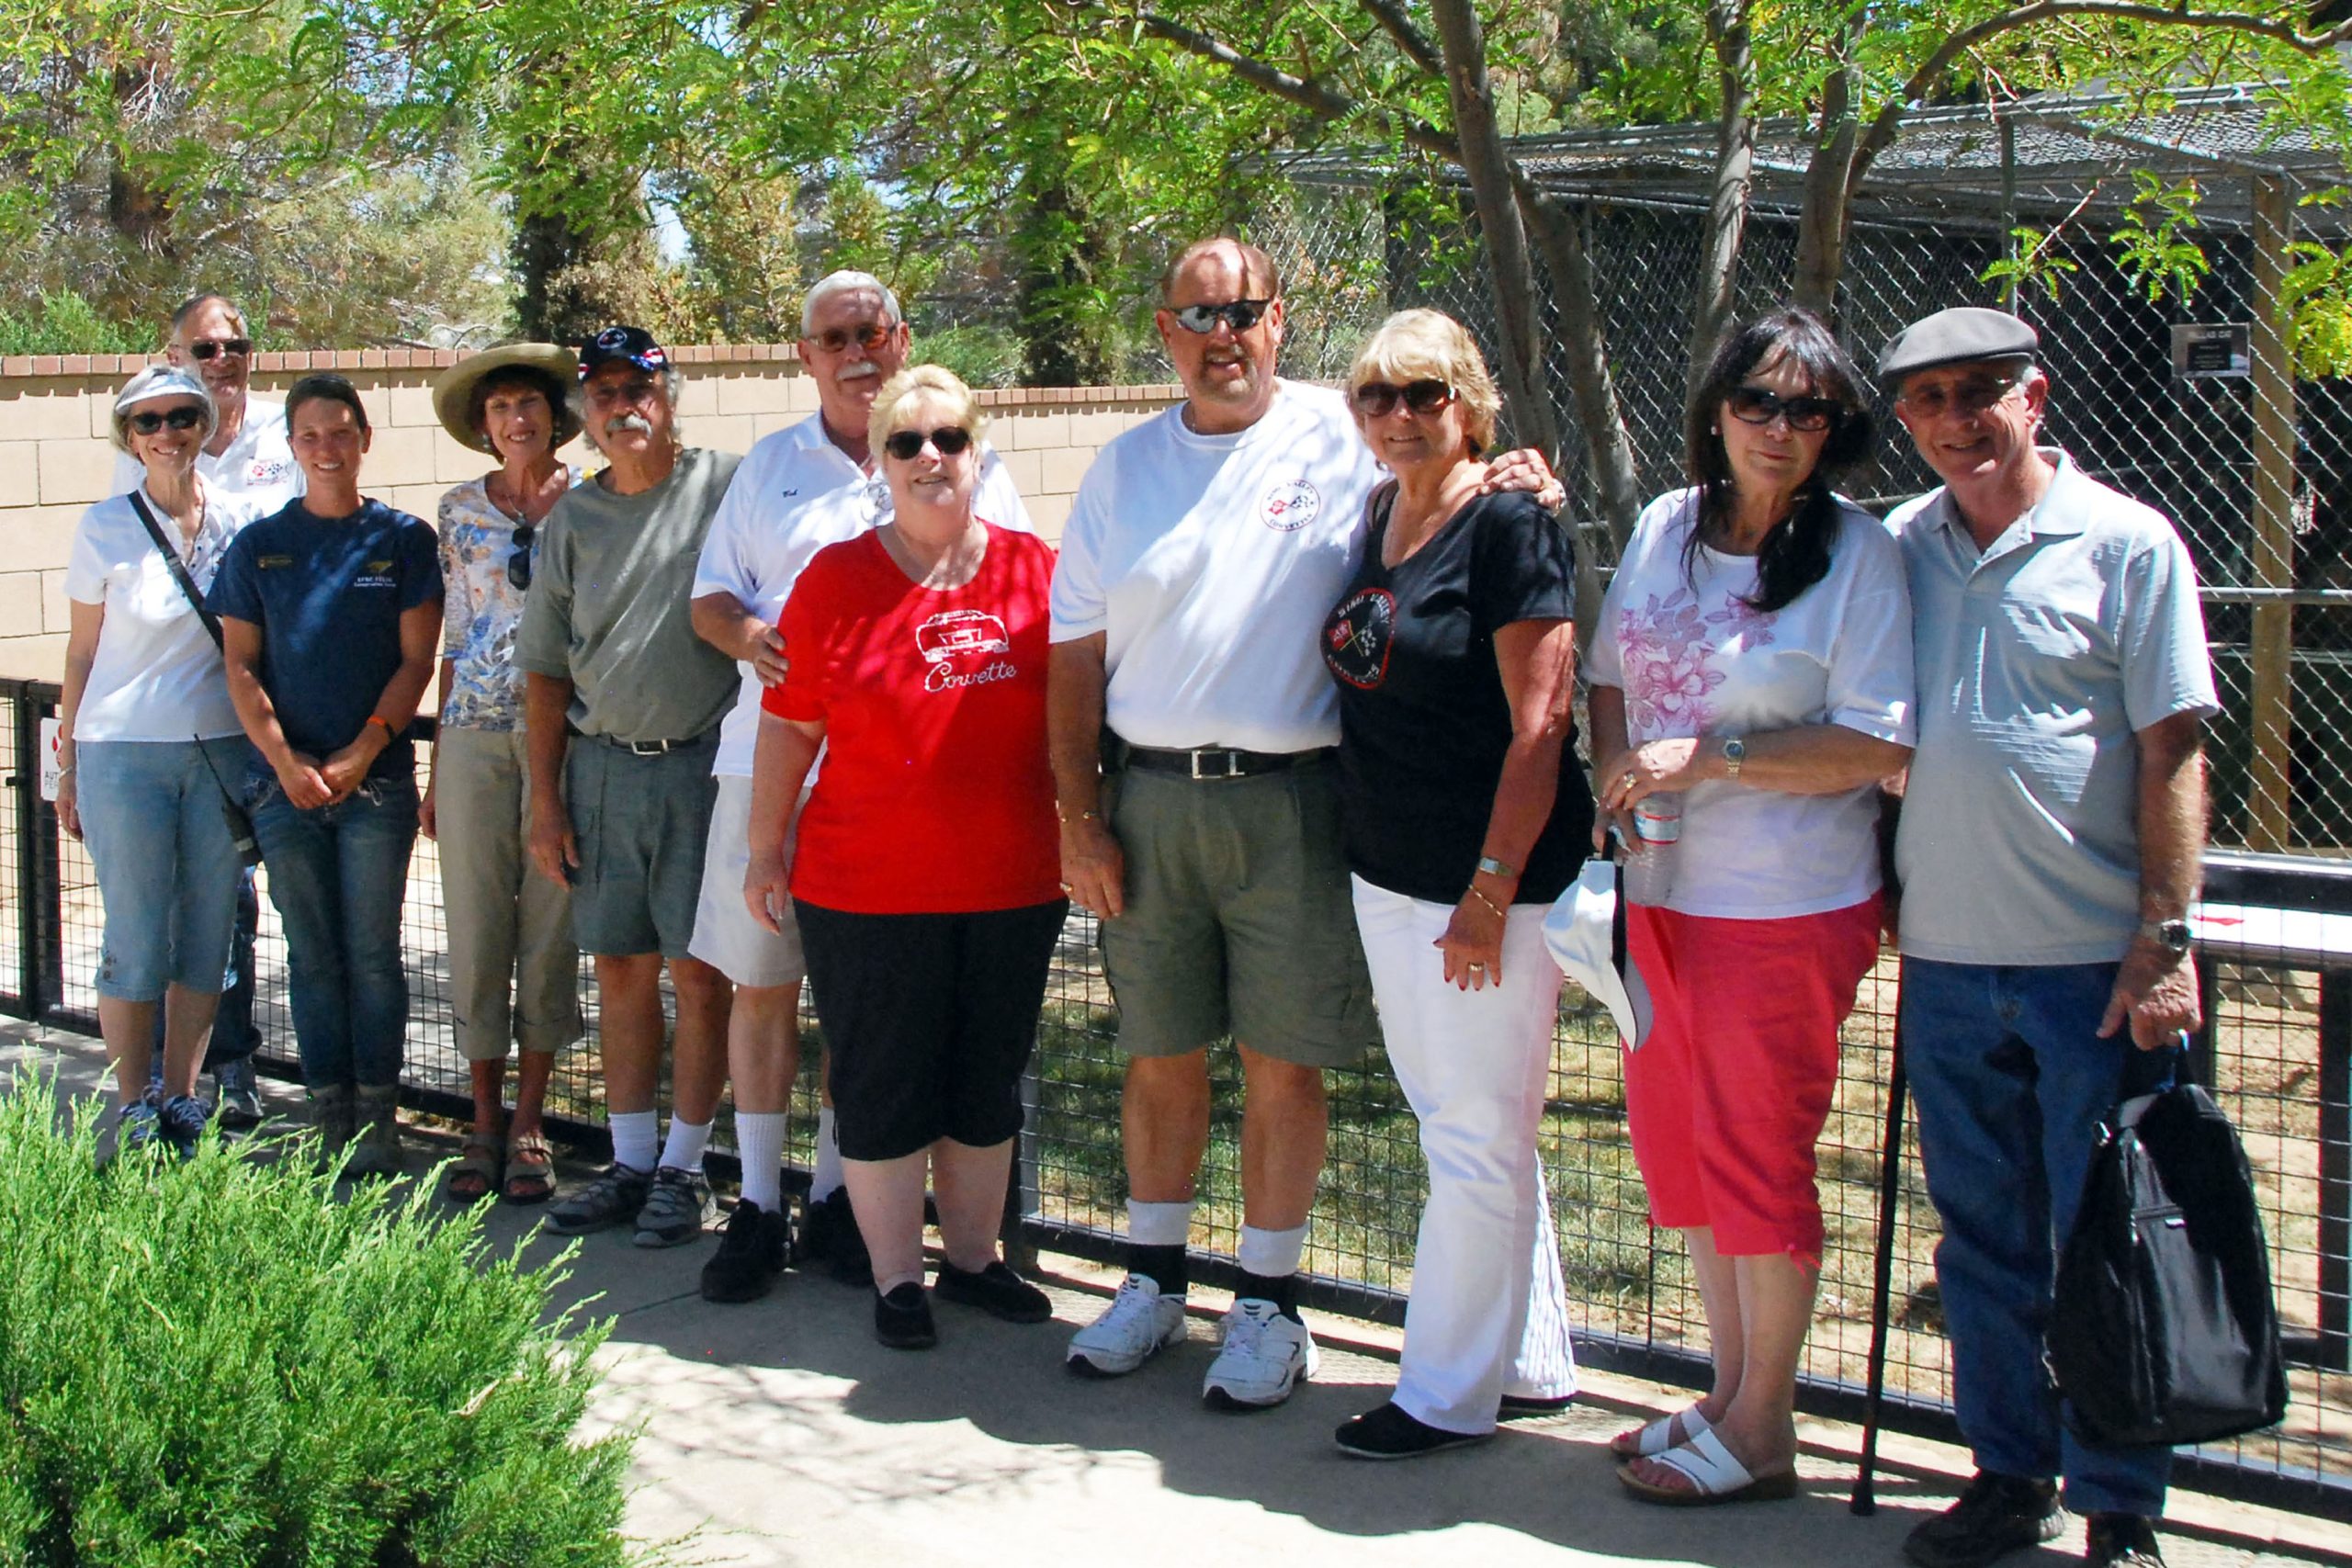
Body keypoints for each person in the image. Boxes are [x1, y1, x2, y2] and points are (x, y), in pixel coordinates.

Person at [1048, 237, 1556, 1408]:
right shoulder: (1121, 471)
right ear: (1164, 332)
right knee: (1158, 1053)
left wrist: (1519, 471)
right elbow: (1071, 659)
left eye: (1243, 312)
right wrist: (1080, 817)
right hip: (1151, 800)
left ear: (1281, 321)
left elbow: (1452, 476)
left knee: (1284, 1061)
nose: (1221, 335)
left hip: (1300, 804)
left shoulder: (1350, 428)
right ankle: (1152, 1280)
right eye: (1196, 315)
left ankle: (1269, 1306)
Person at [1882, 308, 2215, 1568]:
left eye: (1983, 390)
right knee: (1982, 1240)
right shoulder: (1898, 548)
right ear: (1905, 421)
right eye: (1928, 400)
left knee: (2108, 1239)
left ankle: (2124, 1498)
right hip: (1950, 960)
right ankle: (2010, 1472)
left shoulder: (2129, 545)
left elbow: (2172, 748)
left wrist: (2163, 937)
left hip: (2094, 964)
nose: (1958, 418)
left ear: (2039, 395)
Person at [1585, 306, 1914, 1505]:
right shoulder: (1670, 525)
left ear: (1837, 430)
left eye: (1809, 410)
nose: (1780, 429)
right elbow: (1612, 674)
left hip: (1787, 907)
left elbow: (1877, 744)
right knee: (1691, 1156)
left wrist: (1706, 755)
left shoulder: (1861, 559)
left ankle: (1767, 1429)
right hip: (1662, 894)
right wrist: (1619, 778)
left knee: (1758, 1156)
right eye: (1759, 402)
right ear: (1716, 411)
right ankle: (1727, 1393)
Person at [689, 272, 1035, 1303]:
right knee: (764, 985)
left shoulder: (967, 456)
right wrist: (760, 640)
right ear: (805, 354)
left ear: (901, 337)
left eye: (873, 330)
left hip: (908, 791)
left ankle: (843, 1201)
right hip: (777, 757)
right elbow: (710, 598)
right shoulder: (769, 467)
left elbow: (1018, 596)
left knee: (869, 1010)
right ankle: (757, 1203)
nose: (856, 348)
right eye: (834, 335)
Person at [743, 365, 1063, 1349]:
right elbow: (789, 730)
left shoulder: (1035, 569)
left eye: (949, 440)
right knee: (883, 1083)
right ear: (879, 463)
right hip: (866, 889)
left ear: (977, 451)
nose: (931, 459)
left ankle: (971, 1262)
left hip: (1012, 882)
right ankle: (895, 1282)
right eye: (907, 443)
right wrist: (765, 849)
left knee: (983, 1083)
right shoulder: (835, 580)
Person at [1317, 310, 1587, 1458]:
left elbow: (1544, 724)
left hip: (1487, 889)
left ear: (1468, 401)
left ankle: (1441, 1394)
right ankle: (1526, 1358)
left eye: (1422, 393)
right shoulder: (1378, 509)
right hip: (1388, 869)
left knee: (1474, 1134)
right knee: (1461, 1126)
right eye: (1376, 395)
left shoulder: (1512, 522)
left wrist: (1488, 892)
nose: (1397, 415)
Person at [515, 326, 741, 1247]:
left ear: (669, 395)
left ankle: (687, 1170)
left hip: (702, 768)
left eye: (637, 388)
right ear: (586, 414)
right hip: (602, 769)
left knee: (700, 974)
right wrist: (545, 797)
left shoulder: (725, 489)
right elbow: (543, 671)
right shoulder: (573, 520)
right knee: (620, 970)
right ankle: (633, 1160)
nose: (622, 406)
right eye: (603, 394)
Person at [209, 374, 441, 1175]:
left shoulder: (403, 541)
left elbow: (418, 660)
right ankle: (328, 1115)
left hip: (375, 788)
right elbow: (240, 666)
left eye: (341, 432)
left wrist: (365, 748)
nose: (326, 449)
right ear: (292, 446)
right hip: (284, 789)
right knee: (311, 955)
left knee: (373, 954)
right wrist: (285, 758)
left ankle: (380, 1114)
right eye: (309, 436)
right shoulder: (258, 546)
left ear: (365, 438)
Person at [61, 367, 269, 1159]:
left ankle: (183, 1097)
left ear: (205, 421)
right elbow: (81, 652)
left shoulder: (242, 520)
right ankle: (132, 1101)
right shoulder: (104, 526)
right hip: (123, 753)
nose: (167, 432)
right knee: (138, 935)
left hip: (220, 752)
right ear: (130, 437)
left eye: (183, 415)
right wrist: (69, 764)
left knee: (209, 939)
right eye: (147, 422)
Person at [111, 292, 301, 1126]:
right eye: (204, 348)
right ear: (176, 353)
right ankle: (158, 1084)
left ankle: (230, 1065)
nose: (222, 361)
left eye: (234, 347)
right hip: (169, 717)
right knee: (170, 910)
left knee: (236, 900)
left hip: (258, 705)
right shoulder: (156, 429)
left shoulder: (281, 435)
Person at [422, 344, 585, 1204]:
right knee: (479, 927)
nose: (516, 419)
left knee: (551, 923)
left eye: (528, 404)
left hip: (565, 739)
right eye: (499, 409)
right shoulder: (458, 512)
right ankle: (481, 1119)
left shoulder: (593, 503)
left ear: (554, 416)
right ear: (483, 429)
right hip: (474, 737)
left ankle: (531, 1121)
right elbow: (456, 632)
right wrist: (439, 760)